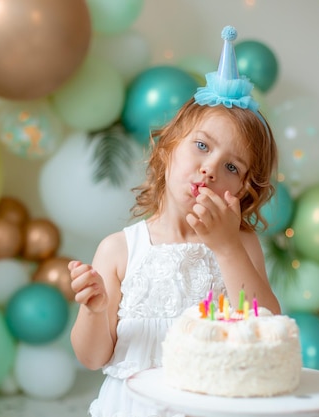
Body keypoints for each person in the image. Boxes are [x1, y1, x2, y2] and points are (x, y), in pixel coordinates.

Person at [68, 25, 281, 417]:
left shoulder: (240, 246)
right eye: (201, 146)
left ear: (244, 190)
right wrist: (96, 312)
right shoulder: (119, 250)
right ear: (167, 151)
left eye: (231, 166)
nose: (210, 169)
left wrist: (227, 247)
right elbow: (93, 357)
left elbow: (267, 328)